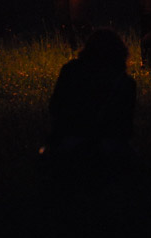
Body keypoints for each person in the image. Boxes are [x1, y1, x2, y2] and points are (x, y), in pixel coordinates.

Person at [43, 28, 136, 185]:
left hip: (70, 139)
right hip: (108, 144)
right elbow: (125, 125)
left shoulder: (70, 71)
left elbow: (55, 107)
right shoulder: (124, 82)